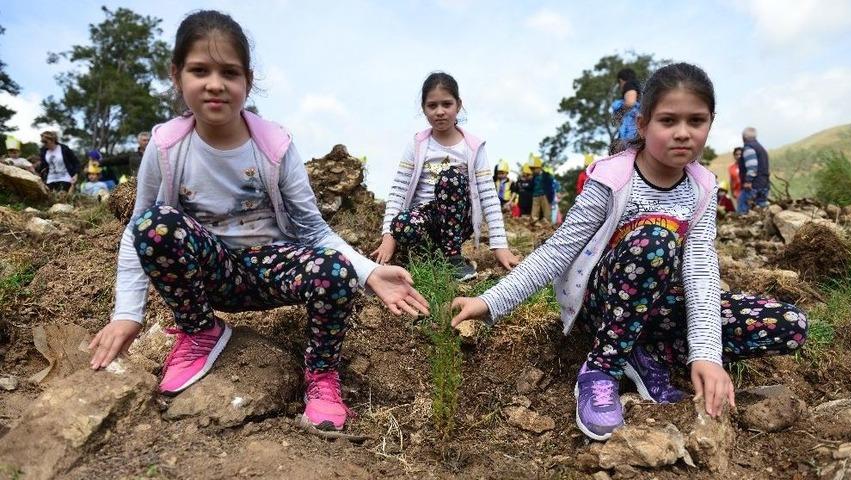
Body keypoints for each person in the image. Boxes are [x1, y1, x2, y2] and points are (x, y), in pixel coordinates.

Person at [87, 10, 429, 433]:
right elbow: (136, 230)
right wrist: (128, 313)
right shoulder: (166, 147)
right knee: (153, 225)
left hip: (271, 268)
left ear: (247, 80)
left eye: (229, 72)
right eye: (200, 70)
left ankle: (321, 377)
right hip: (210, 271)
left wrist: (370, 270)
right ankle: (200, 332)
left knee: (335, 271)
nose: (215, 83)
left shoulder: (274, 147)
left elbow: (314, 231)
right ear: (177, 76)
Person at [450, 63, 807, 441]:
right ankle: (603, 366)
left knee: (788, 325)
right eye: (668, 120)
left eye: (696, 121)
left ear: (710, 123)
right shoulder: (614, 178)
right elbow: (558, 250)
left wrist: (707, 354)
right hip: (605, 303)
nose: (683, 133)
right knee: (655, 241)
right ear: (643, 125)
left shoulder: (702, 187)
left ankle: (646, 352)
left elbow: (701, 271)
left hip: (659, 306)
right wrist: (489, 302)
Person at [371, 72, 519, 281]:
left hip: (459, 220)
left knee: (450, 177)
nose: (440, 112)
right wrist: (388, 237)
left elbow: (489, 196)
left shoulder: (473, 147)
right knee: (401, 224)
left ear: (458, 105)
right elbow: (398, 190)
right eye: (432, 106)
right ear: (423, 109)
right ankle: (429, 257)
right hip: (426, 218)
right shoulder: (417, 144)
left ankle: (453, 258)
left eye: (446, 104)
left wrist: (500, 246)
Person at [736, 127, 769, 214]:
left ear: (744, 137)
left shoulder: (749, 148)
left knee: (742, 208)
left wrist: (748, 181)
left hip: (753, 185)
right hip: (764, 184)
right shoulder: (761, 149)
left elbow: (752, 166)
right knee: (761, 211)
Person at [612, 68, 641, 145]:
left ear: (621, 80)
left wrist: (619, 108)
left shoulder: (629, 84)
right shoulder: (640, 87)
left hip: (632, 129)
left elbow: (631, 102)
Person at [529, 154, 555, 223]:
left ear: (539, 167)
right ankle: (534, 222)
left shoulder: (546, 175)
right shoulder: (533, 177)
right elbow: (531, 186)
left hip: (544, 195)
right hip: (535, 195)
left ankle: (548, 222)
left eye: (534, 169)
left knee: (546, 210)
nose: (533, 171)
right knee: (535, 210)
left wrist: (550, 195)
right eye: (532, 169)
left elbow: (550, 186)